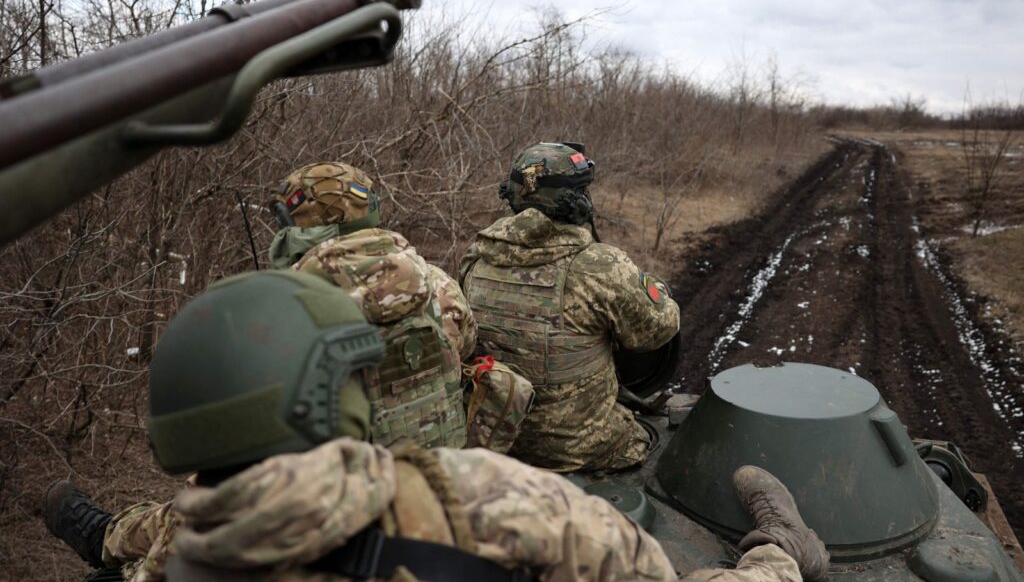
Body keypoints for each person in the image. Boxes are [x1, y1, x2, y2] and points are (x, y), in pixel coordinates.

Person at [43, 271, 828, 582]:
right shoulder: (476, 499)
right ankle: (783, 555)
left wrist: (97, 531)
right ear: (333, 396)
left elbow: (165, 526)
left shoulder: (178, 550)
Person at [460, 142, 680, 472]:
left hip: (495, 439)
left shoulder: (475, 256)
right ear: (576, 203)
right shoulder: (602, 266)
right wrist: (656, 289)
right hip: (582, 450)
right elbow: (659, 330)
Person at [268, 161, 474, 449]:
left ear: (290, 226)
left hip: (346, 483)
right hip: (439, 472)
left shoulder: (278, 306)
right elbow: (465, 346)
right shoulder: (436, 282)